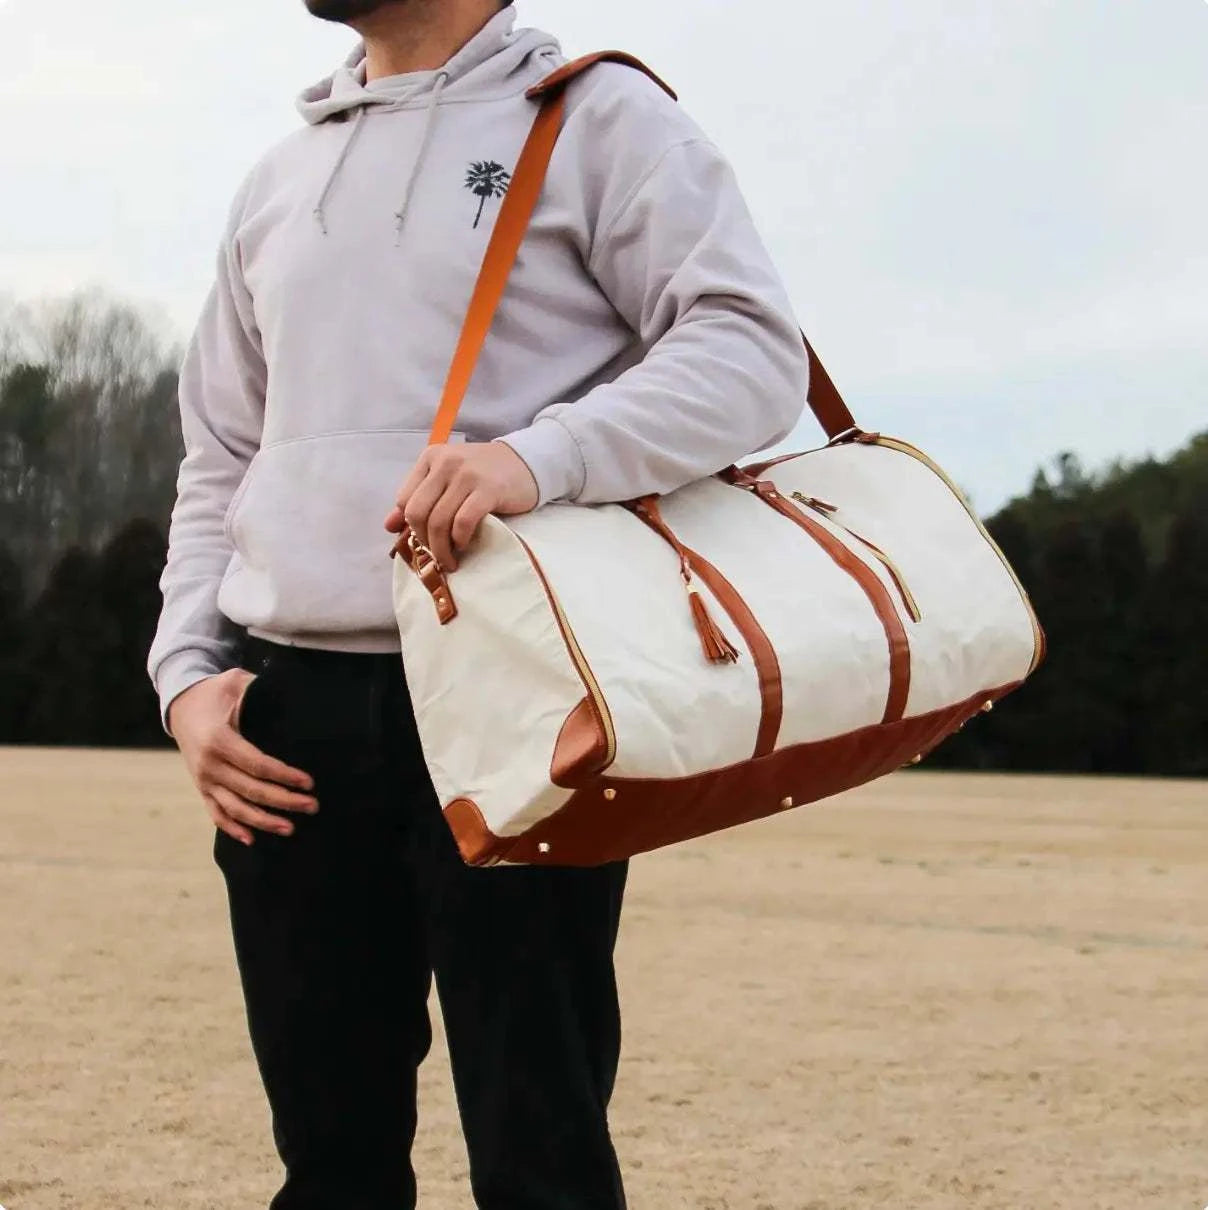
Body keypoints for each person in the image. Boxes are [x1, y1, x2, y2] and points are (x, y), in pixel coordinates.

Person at [148, 0, 807, 1205]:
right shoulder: (278, 178)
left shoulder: (602, 118)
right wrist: (188, 676)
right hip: (287, 715)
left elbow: (749, 351)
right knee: (328, 1161)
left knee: (538, 1151)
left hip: (519, 690)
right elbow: (219, 456)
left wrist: (539, 455)